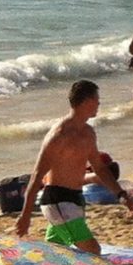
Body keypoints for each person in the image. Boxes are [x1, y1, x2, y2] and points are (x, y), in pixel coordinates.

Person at [13, 79, 109, 237]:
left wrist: (122, 194)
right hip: (58, 200)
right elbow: (37, 175)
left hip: (75, 198)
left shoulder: (88, 133)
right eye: (96, 100)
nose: (99, 103)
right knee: (92, 251)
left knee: (56, 250)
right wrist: (25, 216)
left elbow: (99, 167)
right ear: (86, 102)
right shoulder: (59, 136)